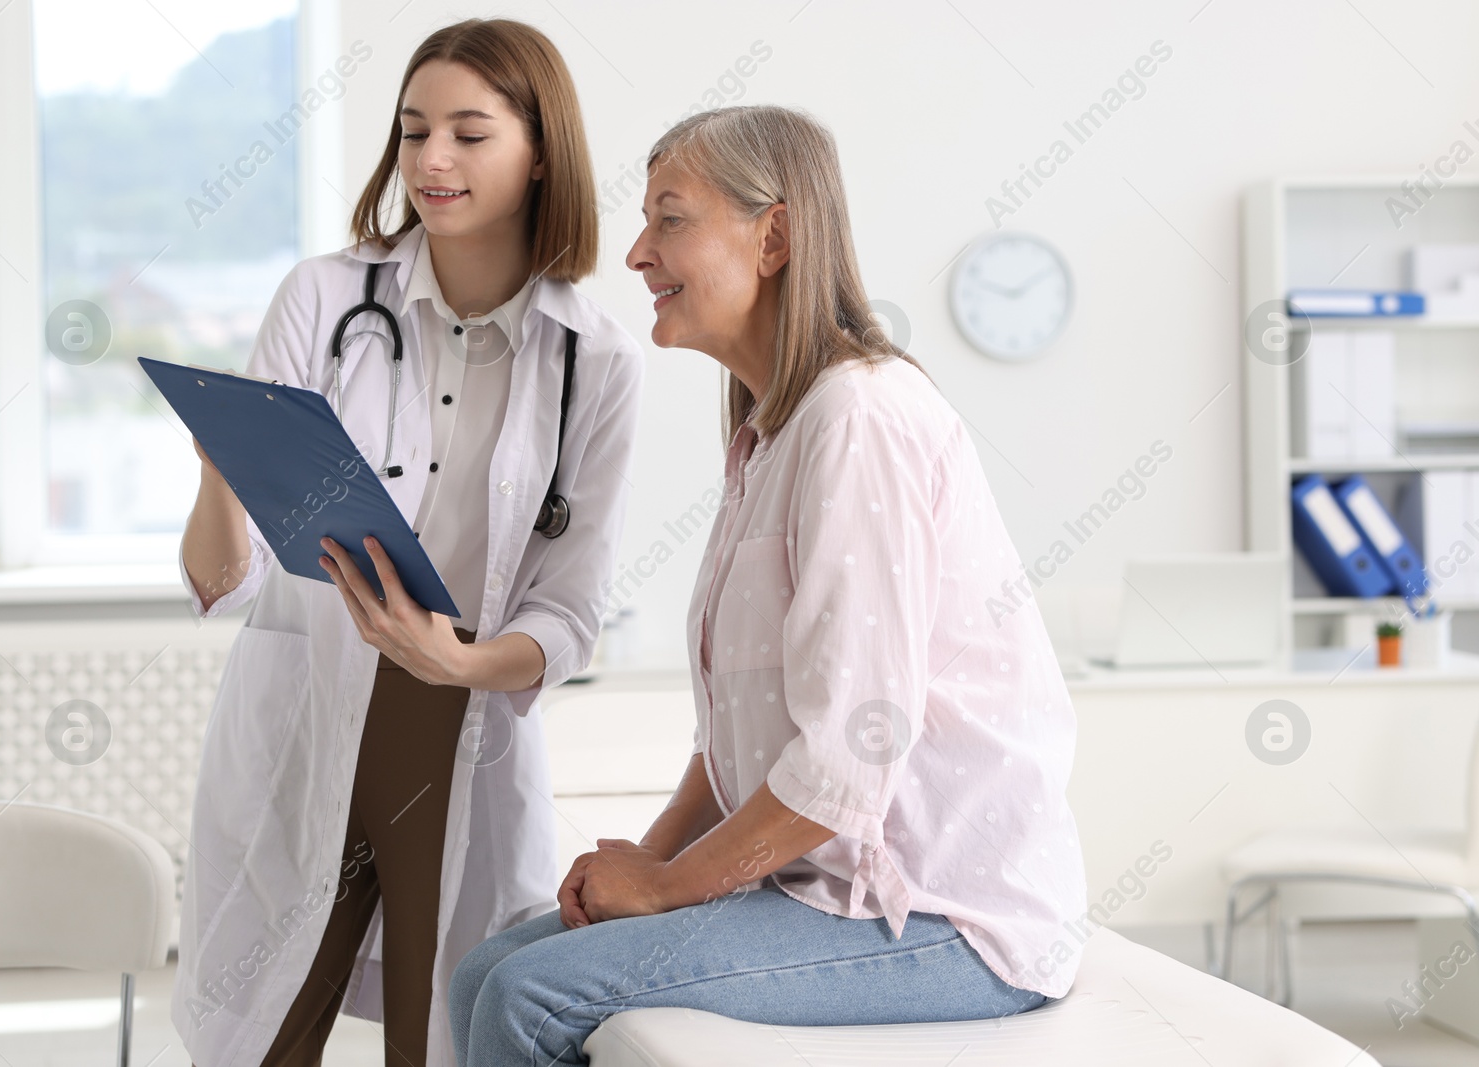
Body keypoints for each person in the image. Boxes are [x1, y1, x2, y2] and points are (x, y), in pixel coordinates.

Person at [446, 104, 1087, 1066]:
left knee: (530, 997)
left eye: (670, 219)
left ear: (774, 234)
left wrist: (664, 891)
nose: (635, 253)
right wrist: (654, 860)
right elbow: (746, 739)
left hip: (944, 914)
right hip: (822, 890)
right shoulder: (770, 436)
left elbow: (845, 760)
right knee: (478, 978)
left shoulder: (858, 418)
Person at [171, 19, 644, 1067]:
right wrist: (216, 469)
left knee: (440, 1035)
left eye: (470, 134)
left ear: (541, 151)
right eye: (413, 128)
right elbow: (220, 576)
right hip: (308, 706)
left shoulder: (595, 360)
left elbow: (568, 612)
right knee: (267, 1028)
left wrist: (462, 660)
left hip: (457, 728)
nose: (430, 161)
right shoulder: (324, 298)